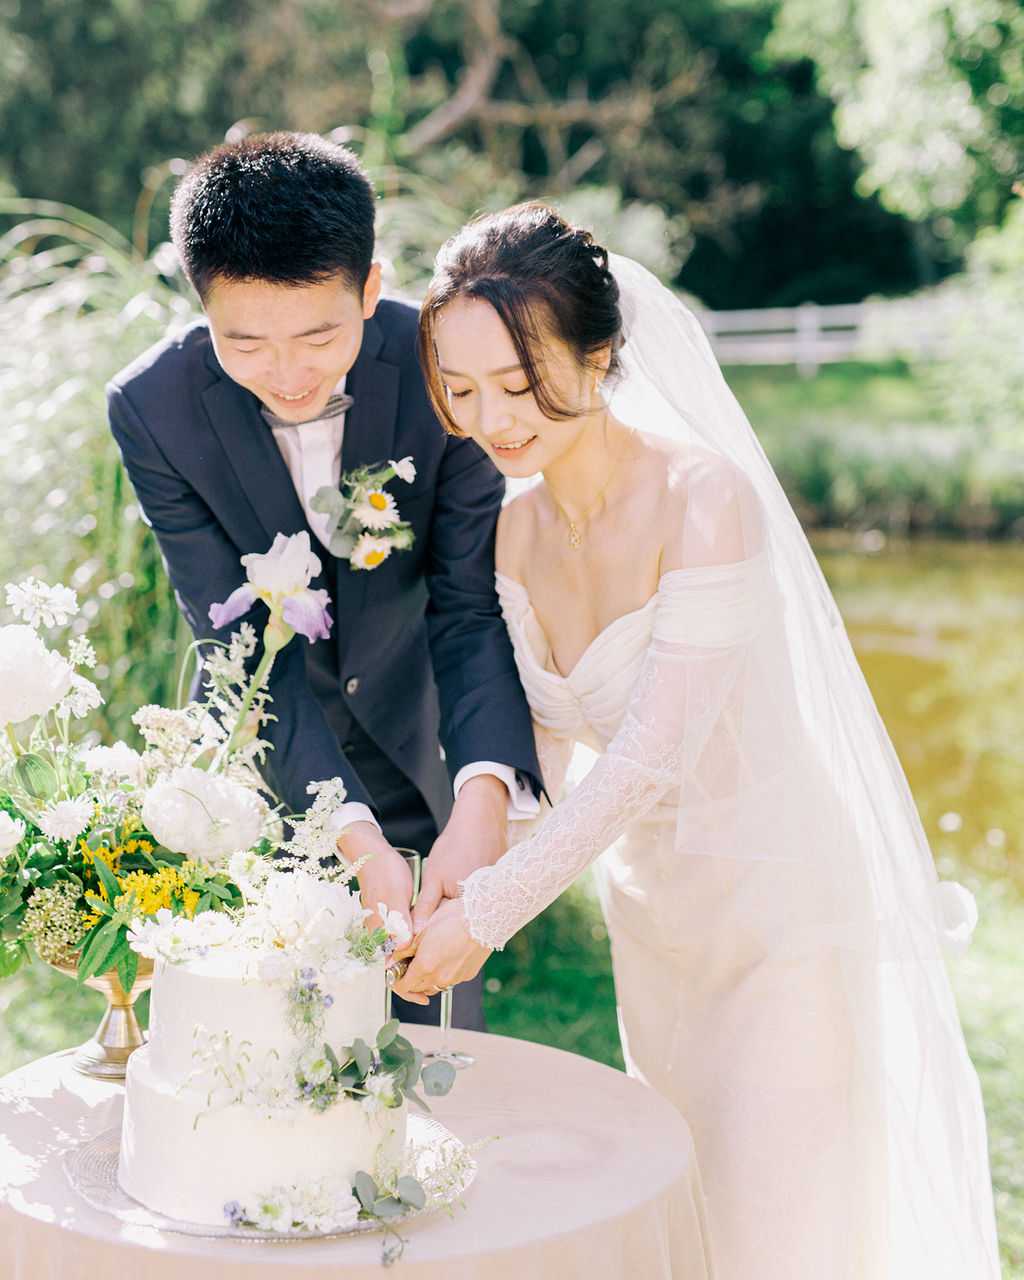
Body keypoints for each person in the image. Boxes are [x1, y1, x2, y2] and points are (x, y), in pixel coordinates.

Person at [394, 203, 1001, 1276]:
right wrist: (462, 858)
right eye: (463, 385)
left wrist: (487, 914)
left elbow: (646, 757)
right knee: (693, 1226)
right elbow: (553, 751)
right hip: (658, 928)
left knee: (782, 1230)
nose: (494, 416)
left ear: (600, 351)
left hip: (777, 922)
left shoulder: (701, 498)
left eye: (520, 380)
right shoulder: (514, 526)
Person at [106, 132, 542, 1029]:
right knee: (255, 1073)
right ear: (200, 306)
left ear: (371, 288)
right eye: (246, 344)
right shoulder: (151, 408)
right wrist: (351, 839)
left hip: (423, 764)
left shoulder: (441, 374)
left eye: (318, 335)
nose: (289, 374)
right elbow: (230, 644)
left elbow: (468, 607)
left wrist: (485, 792)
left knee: (428, 1074)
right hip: (260, 774)